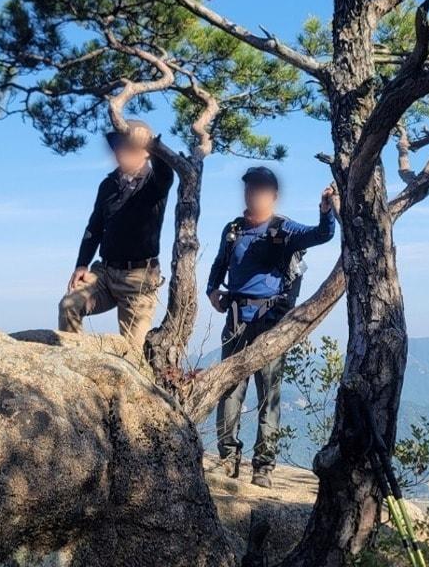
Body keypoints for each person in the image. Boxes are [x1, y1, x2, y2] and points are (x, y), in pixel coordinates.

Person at [207, 167, 338, 488]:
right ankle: (227, 459)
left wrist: (326, 210)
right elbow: (219, 263)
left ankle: (263, 467)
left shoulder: (284, 228)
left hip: (271, 323)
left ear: (273, 196)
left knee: (269, 397)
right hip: (236, 319)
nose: (254, 194)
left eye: (261, 190)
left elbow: (322, 235)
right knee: (230, 392)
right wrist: (212, 289)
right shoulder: (233, 230)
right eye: (250, 189)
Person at [58, 120, 175, 354]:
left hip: (138, 278)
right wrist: (82, 263)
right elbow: (95, 226)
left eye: (130, 146)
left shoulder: (153, 183)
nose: (122, 151)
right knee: (69, 305)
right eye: (119, 146)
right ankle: (74, 365)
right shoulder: (108, 184)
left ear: (144, 152)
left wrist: (153, 145)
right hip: (105, 272)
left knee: (134, 352)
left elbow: (166, 172)